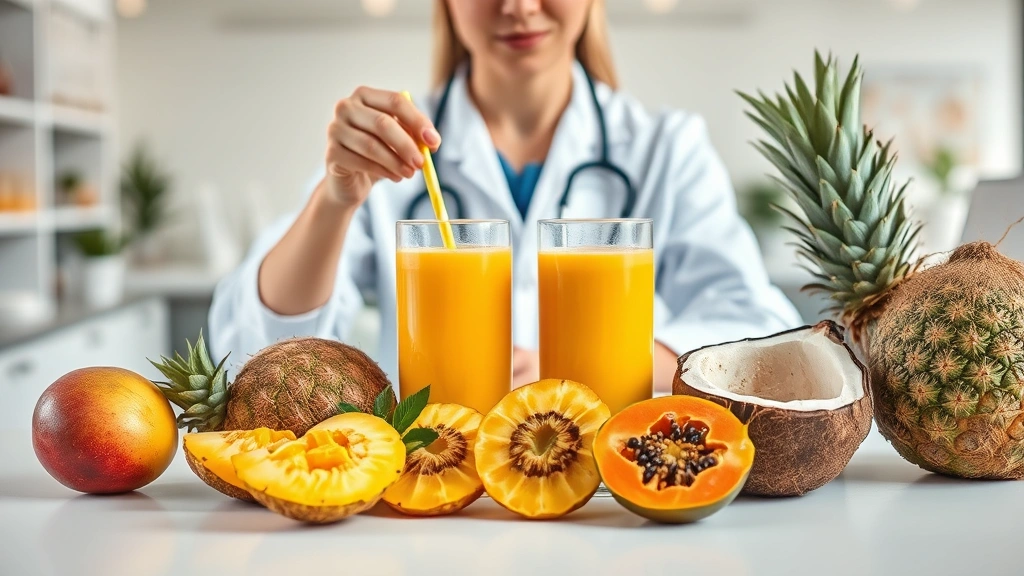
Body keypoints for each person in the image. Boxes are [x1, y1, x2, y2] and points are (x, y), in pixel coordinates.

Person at [209, 0, 801, 394]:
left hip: (604, 492)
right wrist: (333, 201)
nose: (518, 6)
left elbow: (760, 333)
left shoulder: (665, 148)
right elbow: (256, 350)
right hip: (441, 487)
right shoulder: (391, 150)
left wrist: (589, 366)